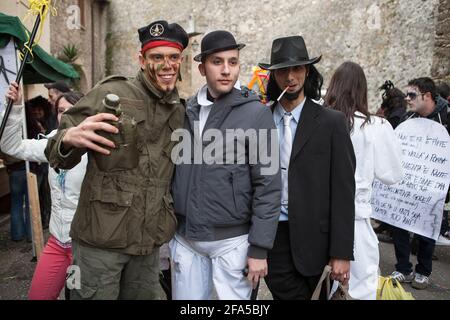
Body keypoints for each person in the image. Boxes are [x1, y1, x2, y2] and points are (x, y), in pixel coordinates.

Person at [45, 20, 188, 300]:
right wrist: (68, 139)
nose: (166, 64)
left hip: (146, 246)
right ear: (141, 59)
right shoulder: (112, 95)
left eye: (173, 57)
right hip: (99, 245)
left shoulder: (178, 110)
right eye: (157, 57)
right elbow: (55, 152)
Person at [169, 30, 281, 300]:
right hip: (186, 239)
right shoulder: (185, 111)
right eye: (217, 62)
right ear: (201, 68)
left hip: (233, 243)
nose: (226, 70)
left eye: (233, 62)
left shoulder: (256, 114)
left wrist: (259, 248)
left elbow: (269, 185)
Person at [258, 36, 356, 300]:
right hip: (273, 237)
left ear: (307, 71)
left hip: (318, 241)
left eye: (297, 68)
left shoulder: (331, 122)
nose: (290, 76)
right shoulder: (260, 121)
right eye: (282, 70)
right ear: (273, 75)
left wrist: (342, 252)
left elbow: (344, 191)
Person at [324, 61, 403, 300]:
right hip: (355, 220)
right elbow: (392, 174)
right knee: (359, 290)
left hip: (320, 220)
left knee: (321, 287)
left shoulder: (320, 120)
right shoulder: (376, 127)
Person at [2, 85, 85, 300]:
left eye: (71, 110)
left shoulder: (96, 145)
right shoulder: (51, 142)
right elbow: (12, 147)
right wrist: (16, 107)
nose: (64, 115)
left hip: (87, 247)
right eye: (60, 111)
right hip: (58, 242)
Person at [390, 77, 449, 289]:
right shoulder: (408, 119)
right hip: (407, 185)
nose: (407, 98)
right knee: (398, 224)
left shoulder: (447, 118)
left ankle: (423, 271)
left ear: (428, 96)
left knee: (427, 227)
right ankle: (403, 268)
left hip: (433, 186)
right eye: (407, 94)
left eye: (412, 95)